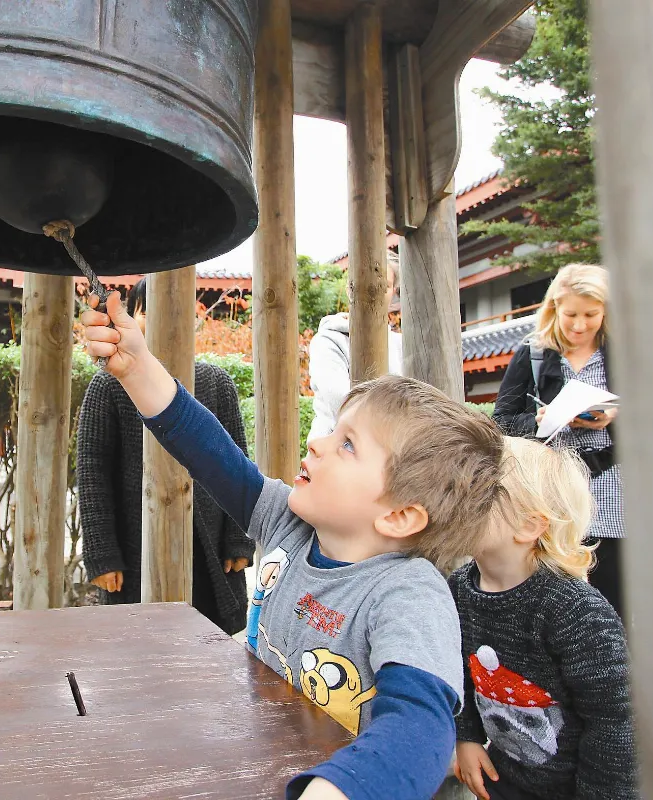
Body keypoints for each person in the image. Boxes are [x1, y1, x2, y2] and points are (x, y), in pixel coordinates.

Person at [80, 291, 506, 800]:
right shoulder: (288, 521)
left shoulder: (408, 595)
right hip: (266, 764)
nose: (316, 442)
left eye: (347, 444)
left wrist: (336, 789)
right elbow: (203, 445)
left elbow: (420, 726)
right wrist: (136, 366)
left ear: (398, 516)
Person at [451, 437, 636, 800]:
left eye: (481, 488)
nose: (458, 496)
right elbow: (457, 670)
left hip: (574, 787)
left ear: (529, 526)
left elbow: (616, 723)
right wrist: (467, 736)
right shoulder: (460, 587)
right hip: (505, 777)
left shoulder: (576, 612)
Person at [77, 279, 254, 635]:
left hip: (207, 543)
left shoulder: (216, 382)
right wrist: (102, 554)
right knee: (139, 640)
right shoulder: (108, 386)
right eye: (145, 311)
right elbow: (93, 474)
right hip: (134, 544)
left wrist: (238, 539)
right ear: (131, 318)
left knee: (210, 641)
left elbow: (237, 461)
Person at [492, 265, 626, 618]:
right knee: (555, 597)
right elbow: (501, 421)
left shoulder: (625, 352)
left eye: (591, 315)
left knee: (613, 600)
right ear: (554, 309)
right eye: (570, 315)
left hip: (616, 495)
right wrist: (537, 421)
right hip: (552, 494)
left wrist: (616, 415)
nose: (579, 325)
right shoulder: (533, 354)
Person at [308, 251, 403, 442]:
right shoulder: (328, 339)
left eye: (384, 286)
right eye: (368, 285)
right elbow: (341, 403)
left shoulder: (399, 343)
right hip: (333, 450)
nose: (375, 292)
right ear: (350, 288)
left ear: (393, 292)